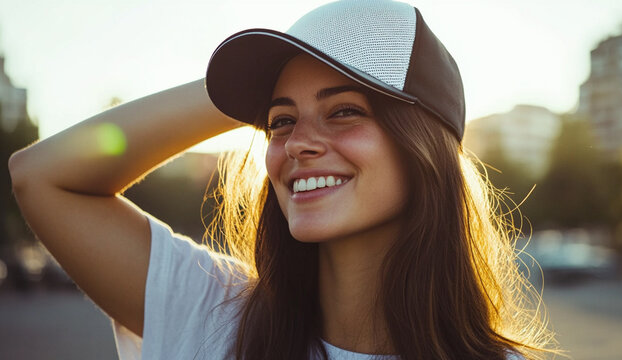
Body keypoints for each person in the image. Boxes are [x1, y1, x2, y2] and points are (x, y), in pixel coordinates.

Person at [9, 0, 559, 359]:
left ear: (424, 146)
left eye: (344, 111)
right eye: (280, 121)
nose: (297, 144)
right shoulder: (214, 318)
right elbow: (40, 174)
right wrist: (248, 87)